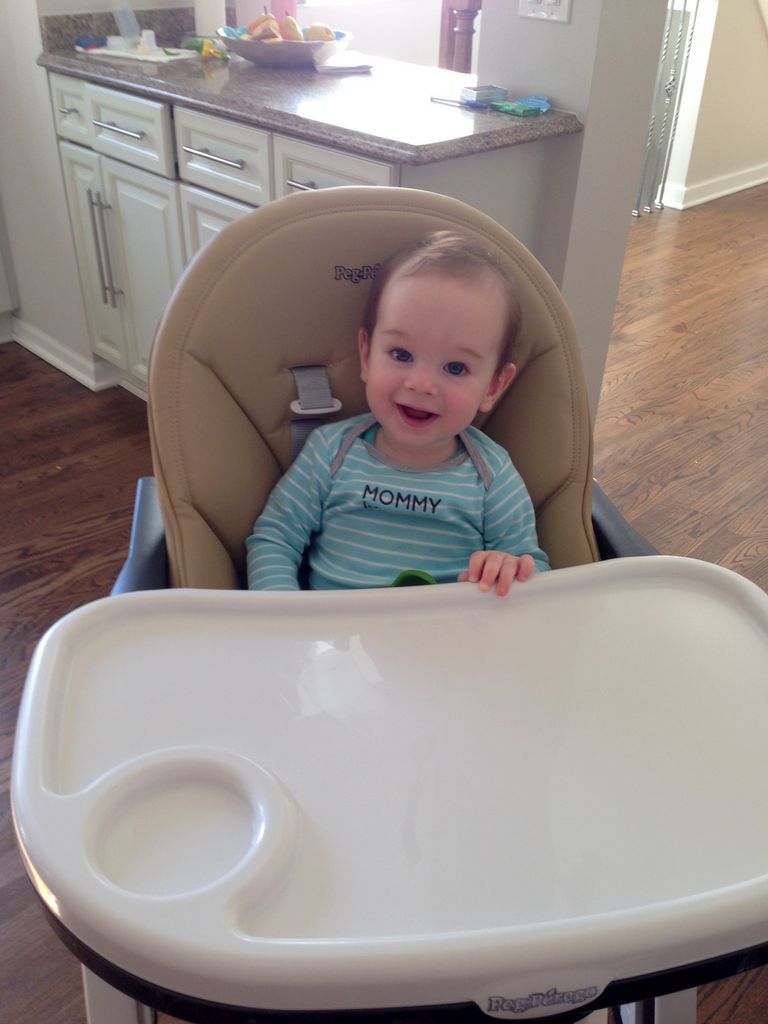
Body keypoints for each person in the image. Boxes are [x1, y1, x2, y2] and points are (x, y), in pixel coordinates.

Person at [246, 230, 550, 596]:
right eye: (401, 354)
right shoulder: (330, 452)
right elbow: (274, 539)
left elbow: (532, 571)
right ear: (366, 356)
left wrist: (509, 569)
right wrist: (283, 611)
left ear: (493, 386)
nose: (421, 384)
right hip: (334, 630)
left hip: (450, 630)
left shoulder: (492, 477)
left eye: (455, 368)